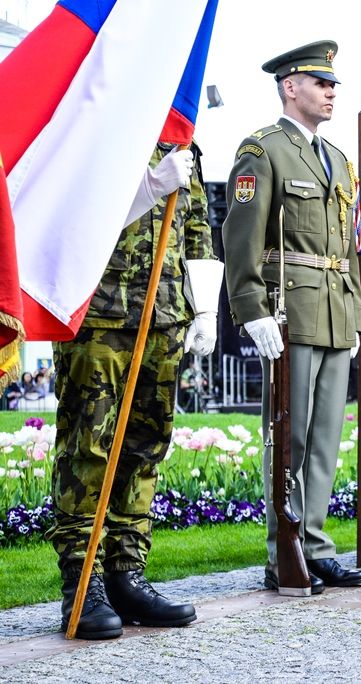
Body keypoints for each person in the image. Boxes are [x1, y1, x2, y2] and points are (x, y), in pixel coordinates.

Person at [47, 142, 222, 639]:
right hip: (100, 313)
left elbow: (196, 228)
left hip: (165, 313)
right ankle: (82, 586)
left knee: (146, 447)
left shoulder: (182, 137)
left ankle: (126, 574)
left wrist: (204, 307)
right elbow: (72, 213)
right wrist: (148, 187)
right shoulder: (106, 121)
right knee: (89, 449)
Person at [222, 40, 361, 592]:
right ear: (290, 86)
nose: (332, 92)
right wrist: (250, 308)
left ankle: (315, 544)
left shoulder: (338, 161)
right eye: (320, 82)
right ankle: (283, 550)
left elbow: (349, 248)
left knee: (327, 435)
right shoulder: (264, 151)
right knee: (291, 437)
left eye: (333, 84)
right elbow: (241, 237)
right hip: (289, 311)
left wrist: (353, 311)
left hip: (332, 311)